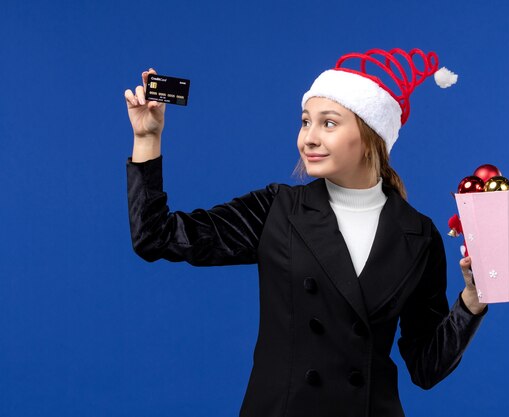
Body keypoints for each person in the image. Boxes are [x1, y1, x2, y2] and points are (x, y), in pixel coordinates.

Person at [124, 48, 488, 417]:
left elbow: (426, 368)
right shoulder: (277, 209)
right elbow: (156, 236)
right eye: (304, 122)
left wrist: (472, 301)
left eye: (328, 123)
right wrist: (147, 139)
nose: (308, 138)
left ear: (370, 136)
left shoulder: (417, 234)